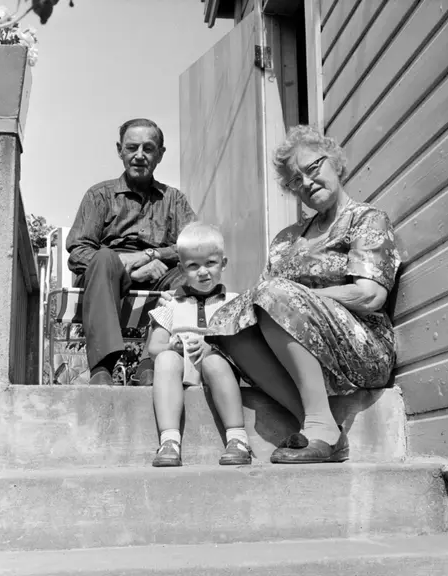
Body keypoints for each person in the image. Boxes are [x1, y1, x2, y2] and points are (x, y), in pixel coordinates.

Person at [205, 124, 401, 464]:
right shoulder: (286, 240)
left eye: (313, 168)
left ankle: (323, 427)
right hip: (298, 347)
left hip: (362, 347)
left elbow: (370, 296)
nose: (307, 183)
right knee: (227, 322)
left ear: (335, 163)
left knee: (276, 295)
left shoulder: (366, 220)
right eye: (296, 180)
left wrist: (299, 298)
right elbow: (257, 305)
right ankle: (319, 423)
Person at [66, 118, 197, 386]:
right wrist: (128, 266)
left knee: (192, 275)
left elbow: (194, 245)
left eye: (148, 148)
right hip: (107, 274)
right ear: (120, 150)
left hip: (159, 274)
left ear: (160, 154)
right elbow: (78, 251)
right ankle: (102, 368)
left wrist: (152, 255)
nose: (139, 155)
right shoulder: (99, 195)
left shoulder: (174, 199)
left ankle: (150, 363)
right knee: (103, 257)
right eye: (132, 147)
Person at [147, 222, 251, 468]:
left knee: (215, 361)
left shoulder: (234, 303)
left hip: (218, 372)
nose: (203, 272)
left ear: (223, 264)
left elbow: (244, 345)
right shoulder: (171, 305)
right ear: (182, 269)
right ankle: (169, 441)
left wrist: (214, 346)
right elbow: (154, 348)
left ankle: (237, 438)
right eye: (193, 266)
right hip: (181, 371)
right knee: (165, 359)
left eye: (210, 263)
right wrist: (171, 347)